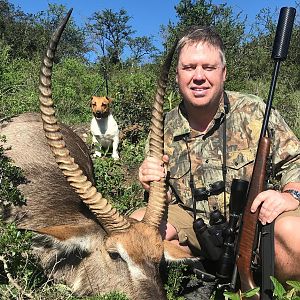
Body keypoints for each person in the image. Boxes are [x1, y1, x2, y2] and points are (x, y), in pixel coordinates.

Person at [132, 26, 300, 285]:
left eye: (208, 68)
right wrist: (151, 183)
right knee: (136, 228)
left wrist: (290, 195)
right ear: (177, 76)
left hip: (253, 220)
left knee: (292, 232)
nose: (198, 76)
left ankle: (278, 287)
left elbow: (295, 161)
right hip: (192, 222)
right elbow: (162, 200)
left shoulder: (254, 112)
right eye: (189, 68)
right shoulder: (161, 128)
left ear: (224, 74)